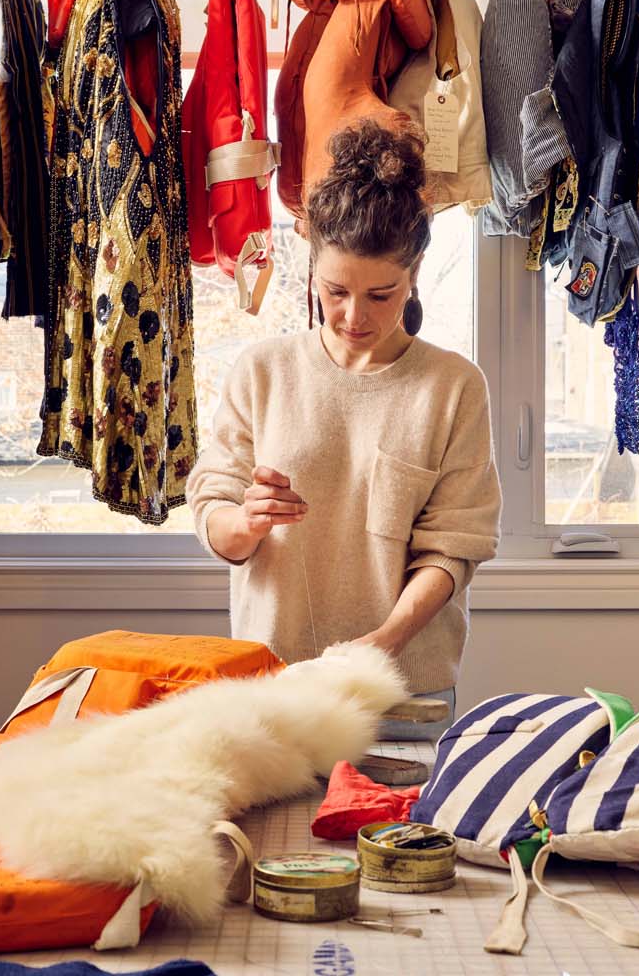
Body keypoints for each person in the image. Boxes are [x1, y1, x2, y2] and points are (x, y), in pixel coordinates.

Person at [187, 121, 503, 734]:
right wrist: (246, 522)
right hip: (269, 684)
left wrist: (382, 644)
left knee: (398, 833)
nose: (354, 316)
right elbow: (215, 521)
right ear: (311, 268)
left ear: (412, 275)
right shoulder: (263, 372)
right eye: (336, 291)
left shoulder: (454, 388)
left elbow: (452, 550)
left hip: (403, 691)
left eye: (381, 296)